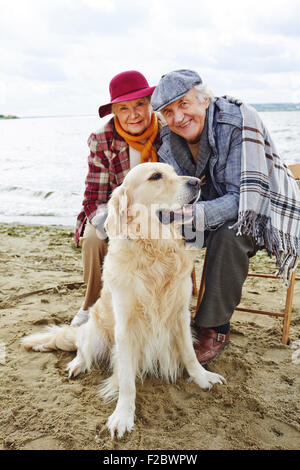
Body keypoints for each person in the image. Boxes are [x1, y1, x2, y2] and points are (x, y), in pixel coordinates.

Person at [151, 69, 300, 365]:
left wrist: (190, 214)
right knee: (157, 231)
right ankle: (162, 319)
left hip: (255, 211)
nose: (178, 117)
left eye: (184, 104)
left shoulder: (236, 122)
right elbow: (171, 192)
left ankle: (213, 328)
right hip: (202, 208)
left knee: (229, 235)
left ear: (204, 99)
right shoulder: (168, 139)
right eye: (168, 111)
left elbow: (239, 200)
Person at [72, 70, 162, 326]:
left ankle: (169, 304)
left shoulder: (166, 132)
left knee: (176, 236)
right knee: (93, 238)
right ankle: (91, 304)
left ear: (150, 104)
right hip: (116, 212)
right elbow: (94, 198)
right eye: (124, 108)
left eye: (140, 105)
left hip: (159, 213)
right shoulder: (102, 139)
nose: (133, 114)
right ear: (114, 111)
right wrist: (120, 227)